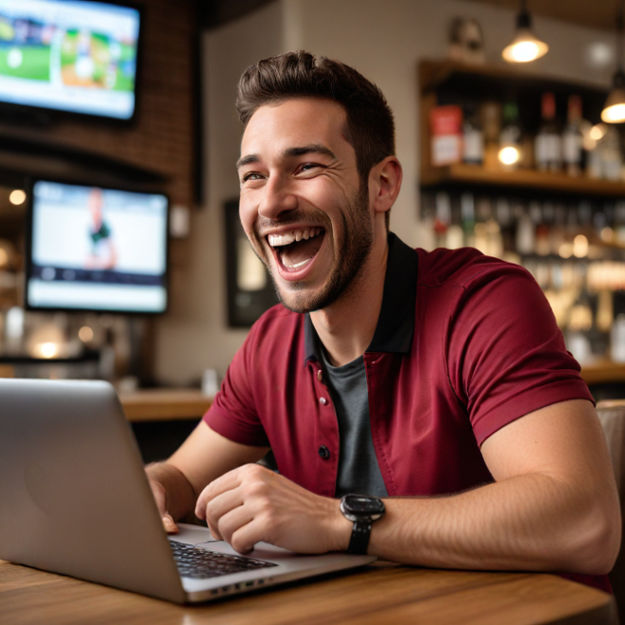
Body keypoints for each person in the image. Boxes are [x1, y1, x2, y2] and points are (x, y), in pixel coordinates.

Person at [147, 51, 621, 587]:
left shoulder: (484, 302)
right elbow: (183, 475)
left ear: (383, 185)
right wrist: (154, 485)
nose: (272, 203)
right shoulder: (270, 342)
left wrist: (334, 519)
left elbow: (586, 523)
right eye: (254, 177)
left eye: (306, 167)